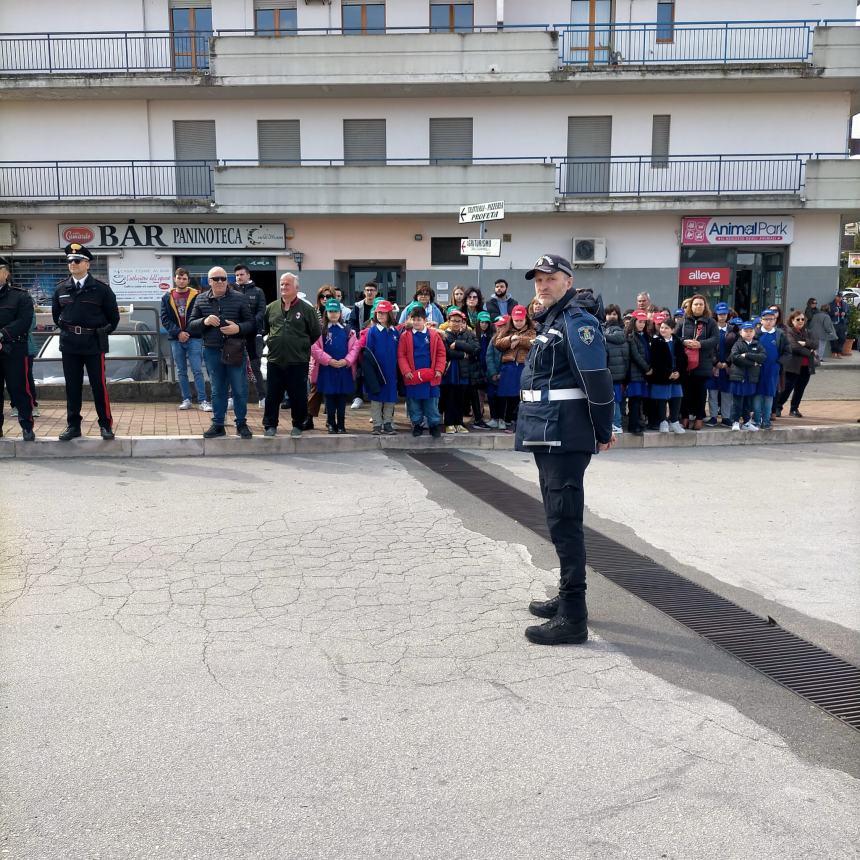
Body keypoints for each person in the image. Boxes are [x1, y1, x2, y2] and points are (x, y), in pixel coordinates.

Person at [515, 254, 615, 646]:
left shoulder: (578, 322)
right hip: (548, 431)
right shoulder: (553, 320)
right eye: (537, 279)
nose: (542, 285)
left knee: (565, 521)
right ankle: (566, 596)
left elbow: (597, 380)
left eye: (550, 278)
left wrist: (603, 430)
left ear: (568, 280)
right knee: (558, 519)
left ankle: (573, 615)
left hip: (565, 434)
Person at [51, 243, 120, 441]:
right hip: (70, 344)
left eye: (77, 260)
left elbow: (113, 319)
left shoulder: (101, 290)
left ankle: (105, 424)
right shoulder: (61, 289)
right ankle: (73, 426)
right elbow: (57, 316)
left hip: (93, 344)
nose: (72, 264)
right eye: (69, 261)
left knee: (99, 386)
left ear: (87, 264)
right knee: (72, 387)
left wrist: (100, 332)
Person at [187, 266, 255, 439]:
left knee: (239, 389)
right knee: (218, 389)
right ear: (209, 281)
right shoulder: (200, 299)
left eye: (223, 278)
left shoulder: (240, 298)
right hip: (212, 350)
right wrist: (205, 321)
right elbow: (191, 326)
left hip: (235, 349)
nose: (220, 282)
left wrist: (237, 328)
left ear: (228, 280)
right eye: (215, 279)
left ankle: (241, 424)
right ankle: (218, 424)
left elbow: (252, 324)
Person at [261, 272, 321, 438]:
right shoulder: (271, 308)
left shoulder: (307, 309)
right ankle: (270, 425)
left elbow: (315, 333)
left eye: (287, 284)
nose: (283, 287)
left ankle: (298, 425)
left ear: (296, 287)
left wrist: (300, 345)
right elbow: (265, 328)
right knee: (273, 395)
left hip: (298, 360)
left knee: (298, 395)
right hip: (275, 359)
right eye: (281, 284)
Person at [160, 267, 209, 411]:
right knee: (181, 371)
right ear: (175, 279)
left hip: (194, 337)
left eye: (184, 278)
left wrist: (186, 332)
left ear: (188, 280)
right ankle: (186, 399)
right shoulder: (166, 297)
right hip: (176, 339)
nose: (181, 280)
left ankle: (203, 400)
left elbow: (200, 316)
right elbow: (165, 319)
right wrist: (178, 333)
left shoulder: (197, 295)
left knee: (197, 370)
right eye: (179, 278)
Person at [0, 256, 36, 441]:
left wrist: (2, 335)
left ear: (6, 273)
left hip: (14, 350)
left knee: (20, 389)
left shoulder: (20, 295)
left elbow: (24, 321)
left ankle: (27, 426)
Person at [311, 299, 360, 434]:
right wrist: (329, 360)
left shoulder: (348, 331)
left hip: (344, 369)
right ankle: (331, 423)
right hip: (327, 369)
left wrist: (346, 361)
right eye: (331, 311)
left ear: (340, 313)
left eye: (336, 311)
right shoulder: (320, 330)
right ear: (326, 313)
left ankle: (342, 424)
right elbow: (314, 348)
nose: (333, 314)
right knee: (330, 398)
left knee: (342, 398)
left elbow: (355, 348)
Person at [397, 304, 445, 437]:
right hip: (412, 376)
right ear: (410, 320)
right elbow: (401, 355)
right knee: (414, 404)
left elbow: (441, 353)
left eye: (419, 319)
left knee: (432, 404)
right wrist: (406, 371)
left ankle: (434, 425)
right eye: (414, 319)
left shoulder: (434, 335)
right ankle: (417, 424)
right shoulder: (405, 336)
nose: (416, 322)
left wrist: (439, 369)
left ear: (425, 320)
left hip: (431, 376)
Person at [494, 305, 536, 433]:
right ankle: (507, 420)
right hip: (509, 366)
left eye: (521, 320)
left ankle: (519, 423)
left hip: (524, 366)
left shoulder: (532, 330)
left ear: (525, 319)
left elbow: (533, 343)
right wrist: (510, 338)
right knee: (507, 395)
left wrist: (519, 339)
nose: (518, 323)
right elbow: (498, 343)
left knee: (523, 396)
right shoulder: (506, 330)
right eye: (516, 320)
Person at [679, 294, 718, 430]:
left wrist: (700, 344)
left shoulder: (711, 322)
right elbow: (676, 337)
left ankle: (699, 418)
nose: (698, 306)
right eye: (695, 304)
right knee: (685, 391)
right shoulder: (684, 321)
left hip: (703, 363)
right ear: (691, 306)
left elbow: (715, 339)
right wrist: (684, 341)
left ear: (705, 306)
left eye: (701, 304)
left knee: (700, 393)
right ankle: (684, 417)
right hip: (686, 363)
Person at [439, 307, 479, 433]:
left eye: (459, 321)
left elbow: (475, 349)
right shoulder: (444, 335)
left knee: (461, 399)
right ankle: (449, 423)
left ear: (463, 322)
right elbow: (447, 352)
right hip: (449, 372)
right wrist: (463, 354)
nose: (456, 323)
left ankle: (459, 422)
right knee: (449, 398)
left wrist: (458, 345)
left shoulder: (468, 335)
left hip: (463, 371)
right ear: (448, 321)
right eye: (453, 320)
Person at [363, 299, 400, 435]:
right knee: (376, 398)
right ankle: (377, 425)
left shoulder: (394, 332)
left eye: (383, 313)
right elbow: (368, 353)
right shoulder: (372, 331)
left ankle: (388, 423)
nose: (380, 315)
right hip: (377, 371)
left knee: (390, 399)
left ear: (389, 314)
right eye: (378, 313)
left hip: (391, 372)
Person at [233, 264, 266, 407]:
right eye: (237, 275)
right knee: (233, 365)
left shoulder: (258, 292)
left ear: (248, 275)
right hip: (235, 334)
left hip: (253, 334)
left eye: (241, 274)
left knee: (255, 365)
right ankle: (231, 398)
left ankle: (262, 397)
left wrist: (251, 324)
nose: (239, 277)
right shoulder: (231, 291)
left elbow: (261, 311)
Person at [775, 310, 818, 418]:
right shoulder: (789, 332)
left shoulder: (809, 332)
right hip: (793, 366)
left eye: (802, 319)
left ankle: (794, 409)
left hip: (806, 366)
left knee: (800, 388)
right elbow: (794, 347)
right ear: (792, 320)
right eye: (797, 319)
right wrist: (810, 351)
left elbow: (815, 344)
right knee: (787, 387)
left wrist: (805, 343)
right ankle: (777, 407)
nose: (800, 321)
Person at [753, 308, 790, 429]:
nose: (769, 322)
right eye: (766, 319)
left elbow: (787, 352)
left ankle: (767, 420)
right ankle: (757, 420)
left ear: (775, 320)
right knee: (757, 395)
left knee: (769, 395)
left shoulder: (780, 334)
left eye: (771, 319)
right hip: (757, 369)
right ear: (761, 320)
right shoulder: (756, 334)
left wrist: (778, 363)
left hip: (773, 370)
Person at [649, 317, 687, 433]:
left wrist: (678, 372)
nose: (663, 330)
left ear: (672, 330)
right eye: (661, 327)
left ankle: (674, 421)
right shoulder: (656, 342)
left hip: (676, 376)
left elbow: (683, 359)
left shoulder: (677, 341)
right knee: (662, 398)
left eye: (666, 328)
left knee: (677, 396)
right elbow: (656, 361)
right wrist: (667, 373)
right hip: (662, 376)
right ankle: (663, 422)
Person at [729, 321, 767, 430]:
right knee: (737, 401)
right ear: (741, 332)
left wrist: (747, 355)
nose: (748, 333)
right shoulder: (737, 344)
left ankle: (746, 422)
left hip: (751, 378)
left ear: (754, 332)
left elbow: (763, 357)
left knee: (748, 402)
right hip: (738, 377)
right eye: (746, 331)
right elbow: (735, 358)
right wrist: (753, 363)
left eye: (751, 331)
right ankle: (735, 421)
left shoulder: (757, 344)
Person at [349, 281, 379, 408]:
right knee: (359, 370)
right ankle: (358, 397)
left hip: (377, 341)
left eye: (372, 290)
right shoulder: (358, 306)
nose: (369, 292)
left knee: (375, 370)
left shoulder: (380, 305)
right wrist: (358, 334)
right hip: (361, 341)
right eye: (367, 290)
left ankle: (375, 398)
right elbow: (352, 322)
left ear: (376, 292)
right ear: (364, 292)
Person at [706, 302, 735, 427]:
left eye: (724, 314)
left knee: (727, 393)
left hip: (727, 366)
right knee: (712, 392)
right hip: (713, 366)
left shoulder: (733, 329)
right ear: (715, 314)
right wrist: (715, 362)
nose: (722, 316)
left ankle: (726, 417)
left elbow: (736, 348)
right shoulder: (711, 329)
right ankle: (712, 417)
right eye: (719, 314)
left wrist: (727, 362)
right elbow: (709, 347)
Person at [625, 310, 652, 435]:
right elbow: (635, 355)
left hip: (642, 374)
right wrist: (647, 368)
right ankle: (633, 426)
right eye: (639, 322)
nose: (642, 324)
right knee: (634, 401)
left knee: (639, 400)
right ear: (634, 322)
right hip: (635, 374)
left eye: (644, 322)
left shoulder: (644, 335)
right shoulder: (631, 336)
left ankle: (638, 423)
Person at [603, 303, 628, 435]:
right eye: (609, 313)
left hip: (614, 375)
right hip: (609, 374)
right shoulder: (603, 329)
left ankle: (617, 424)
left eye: (614, 314)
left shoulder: (618, 331)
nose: (611, 316)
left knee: (615, 400)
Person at [484, 315, 506, 428]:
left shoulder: (510, 339)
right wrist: (493, 373)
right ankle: (494, 418)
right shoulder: (493, 339)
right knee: (491, 396)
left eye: (502, 326)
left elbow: (508, 358)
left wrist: (502, 373)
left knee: (502, 397)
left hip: (504, 375)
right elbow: (489, 357)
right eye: (498, 326)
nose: (499, 328)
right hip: (492, 375)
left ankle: (502, 419)